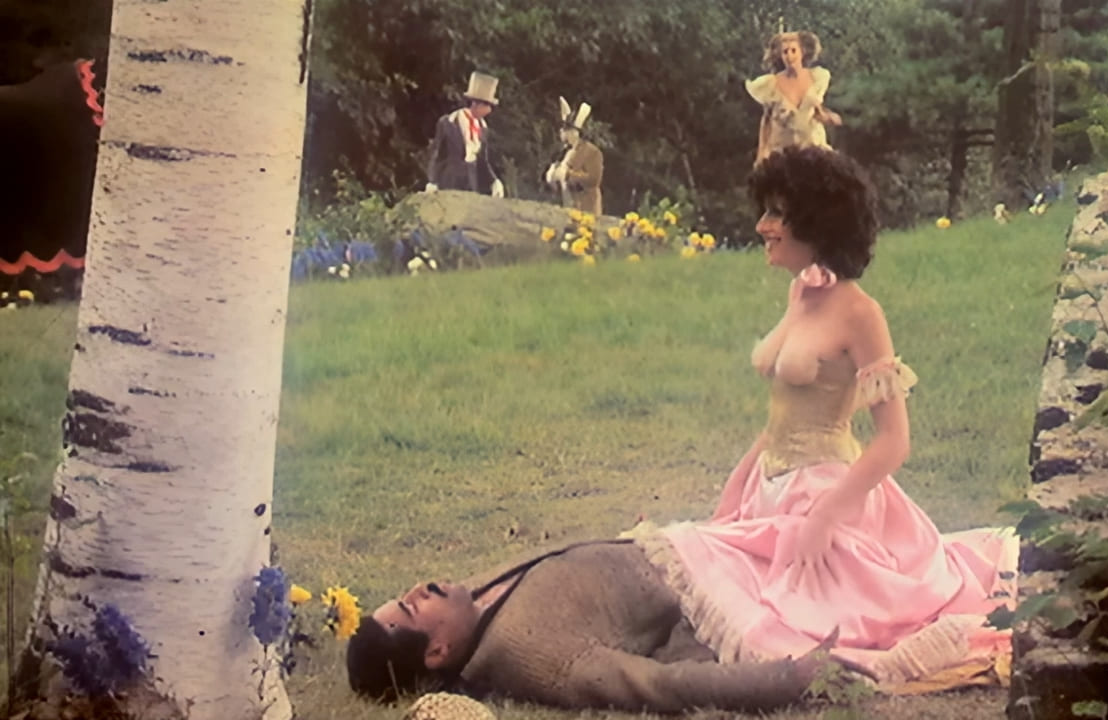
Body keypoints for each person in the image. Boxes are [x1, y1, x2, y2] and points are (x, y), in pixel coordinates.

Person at [622, 145, 1020, 689]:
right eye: (764, 211)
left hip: (826, 492)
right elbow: (782, 417)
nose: (762, 226)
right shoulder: (800, 293)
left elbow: (894, 440)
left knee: (788, 628)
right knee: (700, 561)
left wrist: (825, 517)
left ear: (816, 222)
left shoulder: (861, 313)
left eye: (776, 214)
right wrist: (738, 484)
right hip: (771, 484)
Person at [345, 539, 863, 711]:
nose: (419, 588)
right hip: (723, 582)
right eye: (411, 608)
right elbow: (656, 684)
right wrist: (787, 678)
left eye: (404, 595)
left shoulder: (471, 602)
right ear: (438, 652)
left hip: (698, 541)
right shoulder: (527, 653)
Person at [745, 31, 842, 167]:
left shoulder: (816, 78)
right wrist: (762, 153)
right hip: (784, 153)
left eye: (793, 51)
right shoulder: (771, 85)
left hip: (812, 149)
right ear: (781, 56)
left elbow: (818, 111)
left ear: (802, 52)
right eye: (785, 52)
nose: (790, 56)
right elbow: (766, 120)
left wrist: (828, 117)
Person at [425, 72, 505, 197]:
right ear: (476, 104)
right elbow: (438, 154)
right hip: (449, 183)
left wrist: (494, 181)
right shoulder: (449, 122)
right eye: (487, 106)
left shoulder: (483, 128)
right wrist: (432, 181)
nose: (489, 111)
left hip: (470, 186)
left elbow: (482, 162)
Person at [544, 97, 604, 215]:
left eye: (566, 130)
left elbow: (593, 180)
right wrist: (552, 176)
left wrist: (568, 175)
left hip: (585, 209)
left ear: (574, 132)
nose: (562, 132)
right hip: (565, 206)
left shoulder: (592, 152)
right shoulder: (563, 151)